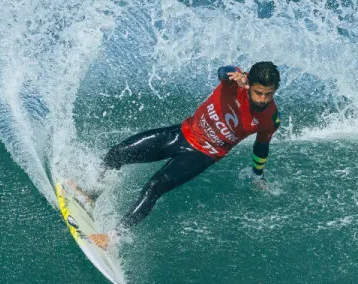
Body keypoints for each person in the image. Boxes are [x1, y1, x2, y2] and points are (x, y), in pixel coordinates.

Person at [85, 61, 280, 249]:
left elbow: (261, 146)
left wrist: (258, 174)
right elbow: (222, 71)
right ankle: (92, 193)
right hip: (181, 134)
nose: (262, 99)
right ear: (249, 84)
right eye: (258, 93)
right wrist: (234, 76)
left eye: (268, 94)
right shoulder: (233, 81)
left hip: (202, 154)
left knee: (154, 187)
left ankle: (112, 237)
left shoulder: (270, 118)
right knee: (117, 153)